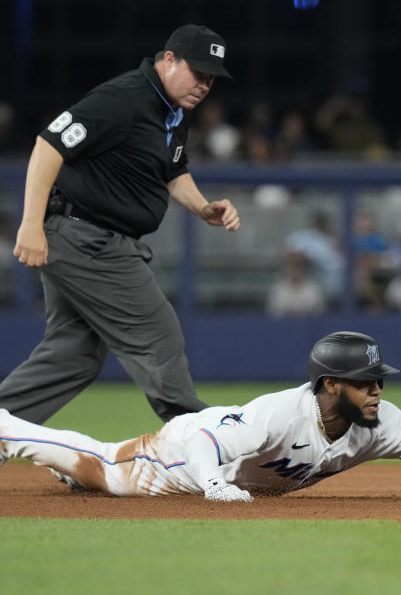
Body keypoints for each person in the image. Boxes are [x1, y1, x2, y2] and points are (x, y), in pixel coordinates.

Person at [0, 331, 401, 501]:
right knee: (92, 462)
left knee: (82, 474)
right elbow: (203, 436)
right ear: (331, 384)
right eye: (365, 382)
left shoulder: (382, 424)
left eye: (380, 381)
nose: (377, 390)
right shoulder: (282, 412)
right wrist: (209, 485)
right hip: (179, 461)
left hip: (223, 467)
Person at [0, 24, 239, 424]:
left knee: (73, 356)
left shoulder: (173, 110)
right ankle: (201, 439)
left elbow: (173, 172)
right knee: (160, 334)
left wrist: (202, 207)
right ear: (168, 60)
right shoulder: (123, 98)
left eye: (211, 78)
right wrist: (30, 224)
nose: (204, 84)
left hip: (86, 235)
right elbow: (49, 144)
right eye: (198, 73)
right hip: (87, 237)